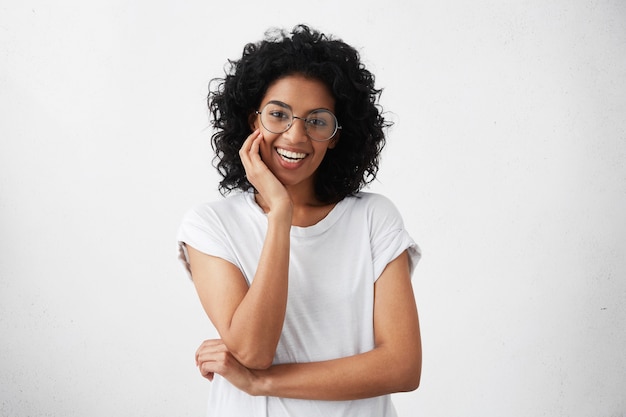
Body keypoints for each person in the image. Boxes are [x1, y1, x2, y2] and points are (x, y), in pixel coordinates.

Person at [177, 24, 422, 417]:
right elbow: (253, 350)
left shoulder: (373, 218)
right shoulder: (211, 226)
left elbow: (403, 367)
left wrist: (262, 383)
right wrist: (280, 215)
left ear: (337, 135)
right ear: (253, 120)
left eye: (317, 120)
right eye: (279, 114)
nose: (295, 136)